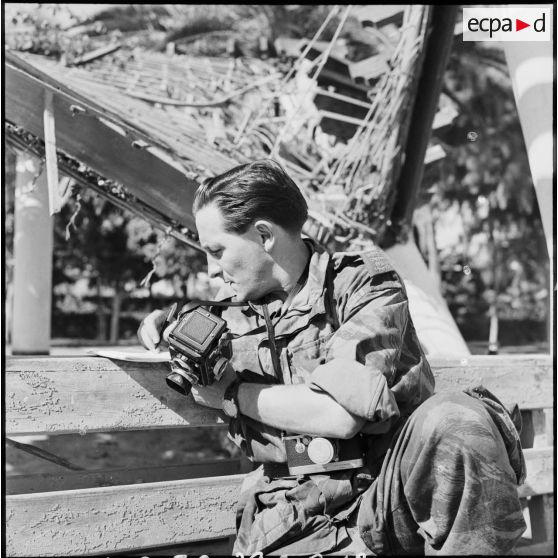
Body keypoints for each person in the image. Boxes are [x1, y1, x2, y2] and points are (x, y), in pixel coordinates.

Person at [138, 159, 526, 556]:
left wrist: (232, 394)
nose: (211, 270)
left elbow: (340, 415)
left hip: (388, 500)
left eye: (216, 250)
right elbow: (180, 322)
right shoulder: (225, 313)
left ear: (264, 235)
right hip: (295, 520)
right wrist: (157, 322)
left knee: (456, 418)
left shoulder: (361, 284)